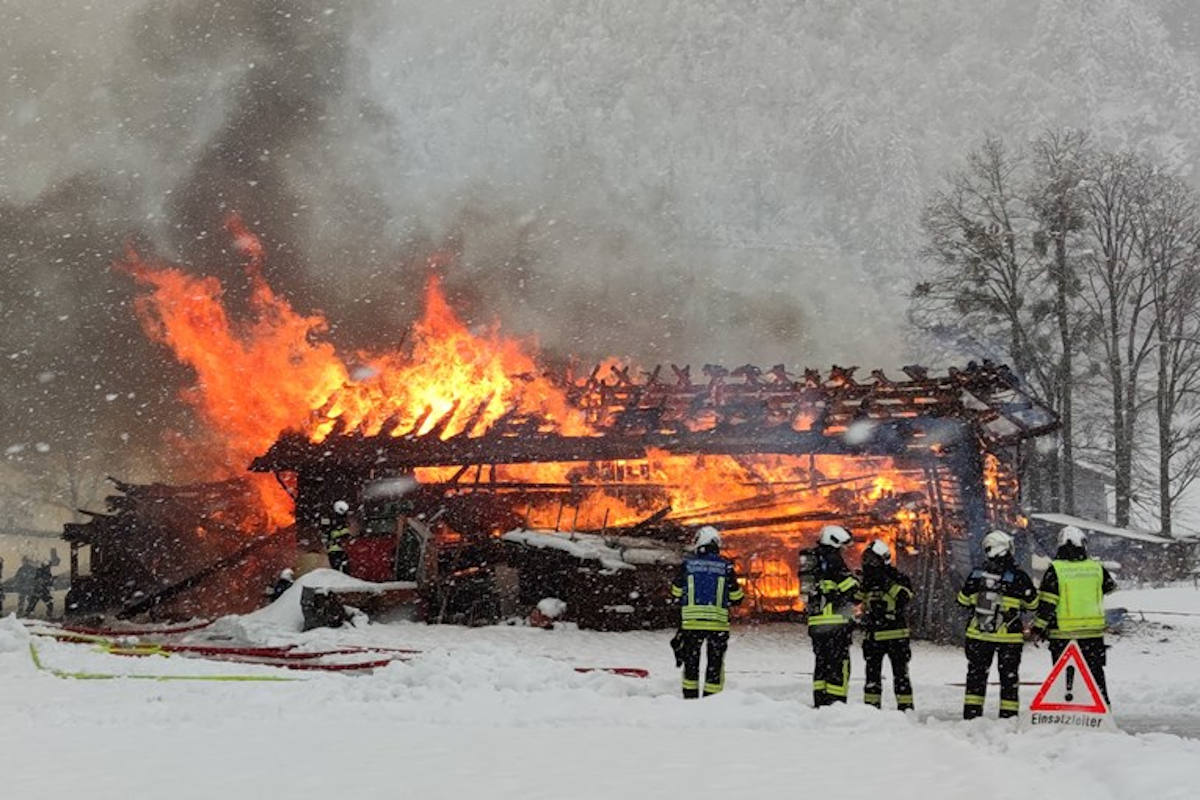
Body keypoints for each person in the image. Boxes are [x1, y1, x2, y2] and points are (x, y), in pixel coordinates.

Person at [956, 529, 1037, 719]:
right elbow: (1033, 604)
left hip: (979, 636)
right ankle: (1008, 716)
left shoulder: (976, 575)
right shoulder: (1019, 577)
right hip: (1009, 637)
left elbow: (962, 600)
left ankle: (972, 715)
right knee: (1009, 678)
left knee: (976, 677)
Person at [1031, 525, 1117, 703]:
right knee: (1095, 675)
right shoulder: (1096, 568)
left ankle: (1067, 708)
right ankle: (1102, 707)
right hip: (1092, 634)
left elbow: (1047, 605)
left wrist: (1037, 629)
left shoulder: (1055, 570)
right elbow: (1110, 587)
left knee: (1064, 678)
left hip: (1063, 635)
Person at [669, 526, 744, 698]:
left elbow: (676, 592)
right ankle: (712, 699)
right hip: (718, 625)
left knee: (691, 663)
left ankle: (690, 697)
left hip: (691, 624)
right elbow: (737, 597)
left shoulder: (688, 565)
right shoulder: (726, 566)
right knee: (715, 665)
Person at [856, 539, 915, 711]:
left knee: (901, 675)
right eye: (867, 560)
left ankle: (906, 709)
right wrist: (859, 584)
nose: (869, 564)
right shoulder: (867, 581)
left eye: (873, 560)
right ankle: (871, 709)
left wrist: (885, 582)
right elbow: (856, 600)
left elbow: (904, 597)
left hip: (896, 635)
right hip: (873, 636)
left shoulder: (898, 578)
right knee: (872, 677)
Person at [805, 525, 859, 707]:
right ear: (834, 541)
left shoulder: (813, 560)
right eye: (842, 545)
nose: (843, 550)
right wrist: (856, 581)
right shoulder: (833, 559)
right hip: (835, 623)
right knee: (839, 666)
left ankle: (820, 702)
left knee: (822, 665)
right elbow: (850, 589)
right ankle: (836, 705)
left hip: (816, 623)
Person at [326, 500, 352, 573]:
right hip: (336, 549)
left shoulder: (340, 521)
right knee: (339, 570)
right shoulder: (332, 521)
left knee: (341, 570)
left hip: (341, 549)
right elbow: (330, 534)